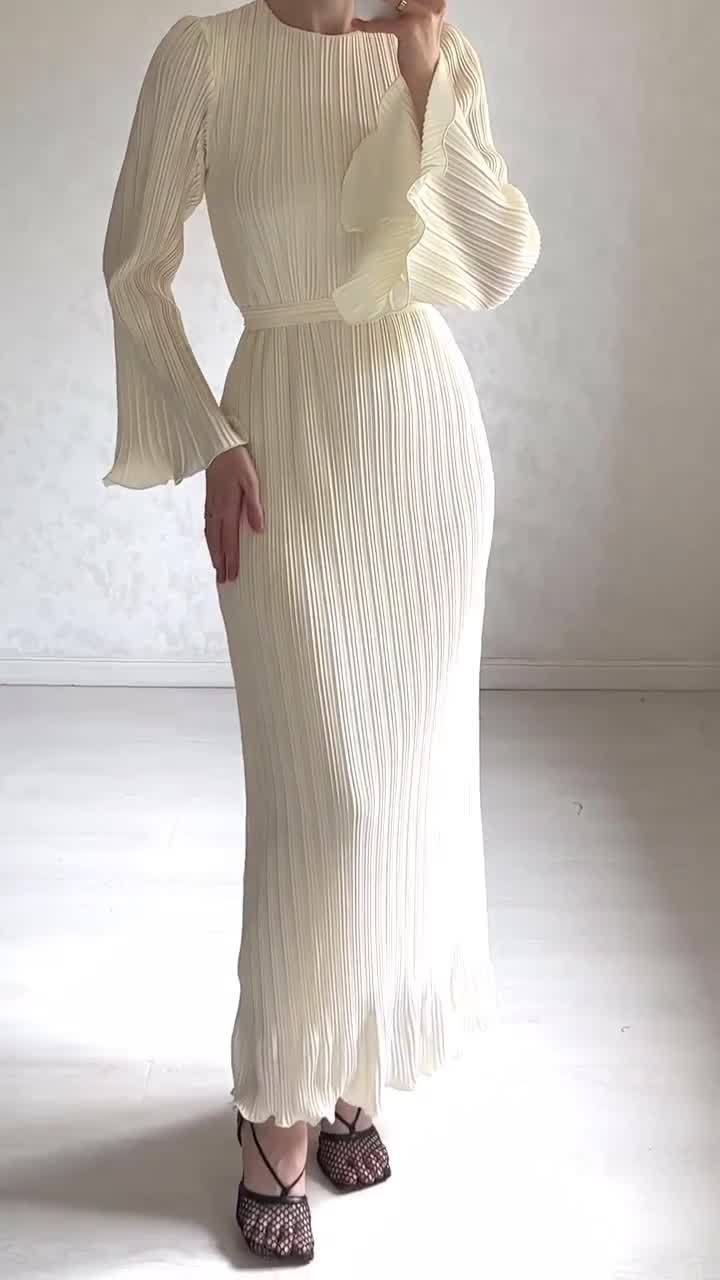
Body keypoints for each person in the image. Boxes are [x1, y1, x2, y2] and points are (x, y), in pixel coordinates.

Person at [101, 0, 540, 1263]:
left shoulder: (434, 52)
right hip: (281, 438)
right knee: (326, 801)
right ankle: (277, 1099)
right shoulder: (208, 56)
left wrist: (423, 73)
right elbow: (134, 268)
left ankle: (357, 1063)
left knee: (407, 793)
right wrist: (208, 437)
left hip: (421, 441)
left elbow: (493, 265)